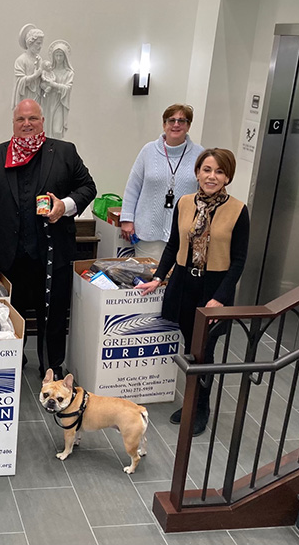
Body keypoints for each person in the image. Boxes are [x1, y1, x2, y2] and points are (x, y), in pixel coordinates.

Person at [0, 99, 97, 379]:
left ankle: (51, 367)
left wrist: (65, 205)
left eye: (32, 118)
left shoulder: (65, 152)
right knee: (9, 313)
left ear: (42, 121)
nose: (27, 124)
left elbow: (88, 187)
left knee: (53, 315)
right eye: (21, 119)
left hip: (51, 254)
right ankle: (12, 362)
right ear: (13, 123)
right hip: (6, 255)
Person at [135, 148, 249, 436]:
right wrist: (158, 278)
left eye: (219, 171)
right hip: (184, 284)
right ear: (197, 173)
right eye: (207, 170)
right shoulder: (185, 203)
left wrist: (219, 298)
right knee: (190, 347)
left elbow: (239, 261)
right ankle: (192, 401)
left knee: (205, 351)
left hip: (215, 289)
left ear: (228, 177)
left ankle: (201, 408)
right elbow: (173, 246)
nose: (212, 176)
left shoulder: (238, 210)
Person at [120, 104, 203, 260]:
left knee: (176, 275)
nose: (176, 125)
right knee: (148, 274)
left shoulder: (200, 154)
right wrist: (127, 219)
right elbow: (133, 187)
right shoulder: (148, 151)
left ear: (188, 126)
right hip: (148, 233)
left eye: (182, 121)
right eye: (171, 120)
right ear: (164, 125)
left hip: (183, 234)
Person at [40, 40, 75, 140]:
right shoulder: (49, 70)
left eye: (61, 56)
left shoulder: (69, 73)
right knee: (46, 129)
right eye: (57, 55)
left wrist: (54, 85)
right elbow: (41, 83)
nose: (58, 58)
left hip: (59, 102)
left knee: (57, 130)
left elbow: (68, 88)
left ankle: (57, 149)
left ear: (65, 57)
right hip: (48, 102)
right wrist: (44, 87)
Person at [13, 24, 45, 107]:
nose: (40, 47)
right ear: (29, 43)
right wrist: (35, 76)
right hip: (26, 96)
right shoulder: (21, 60)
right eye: (38, 43)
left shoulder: (39, 59)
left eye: (41, 44)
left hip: (37, 96)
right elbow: (20, 82)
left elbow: (42, 79)